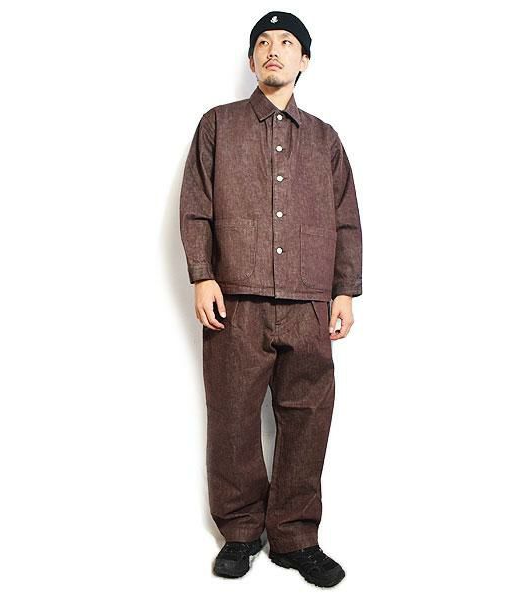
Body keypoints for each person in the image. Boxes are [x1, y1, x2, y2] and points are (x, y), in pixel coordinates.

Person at [179, 10, 362, 588]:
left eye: (286, 42)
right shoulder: (218, 125)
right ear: (251, 58)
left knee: (308, 418)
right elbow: (196, 206)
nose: (273, 49)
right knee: (232, 416)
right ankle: (239, 532)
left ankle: (296, 537)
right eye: (263, 42)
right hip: (236, 301)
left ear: (304, 60)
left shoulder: (325, 139)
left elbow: (346, 220)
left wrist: (344, 291)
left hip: (309, 303)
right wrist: (202, 275)